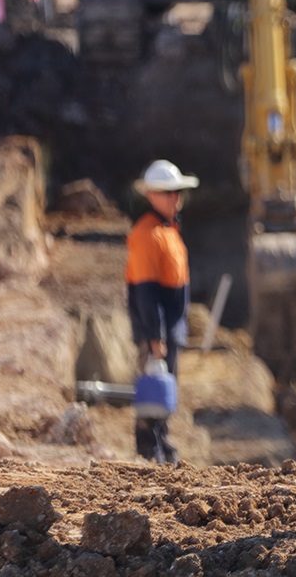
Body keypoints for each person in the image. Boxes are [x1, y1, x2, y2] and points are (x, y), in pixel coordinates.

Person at [126, 158, 198, 464]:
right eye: (169, 193)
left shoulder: (168, 229)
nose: (175, 199)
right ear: (152, 195)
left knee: (164, 388)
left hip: (170, 327)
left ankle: (162, 443)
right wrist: (155, 337)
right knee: (153, 390)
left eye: (177, 193)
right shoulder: (147, 235)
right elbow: (146, 292)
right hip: (157, 330)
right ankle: (149, 450)